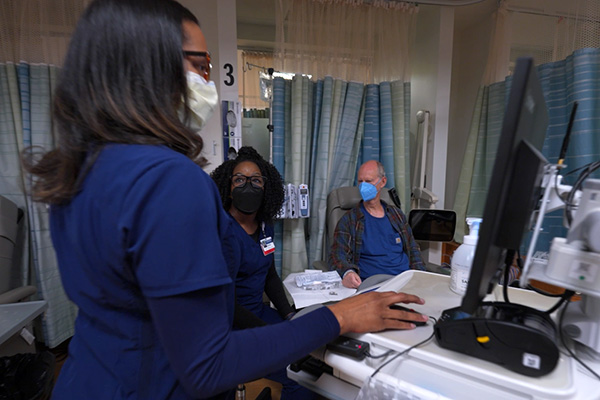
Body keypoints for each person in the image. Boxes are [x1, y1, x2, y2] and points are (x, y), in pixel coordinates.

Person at [24, 1, 427, 399]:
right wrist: (339, 316)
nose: (207, 81)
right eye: (200, 65)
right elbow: (207, 364)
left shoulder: (77, 170)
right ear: (149, 65)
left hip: (91, 379)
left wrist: (293, 318)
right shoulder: (168, 180)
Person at [212, 146, 315, 399]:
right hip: (229, 324)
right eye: (240, 179)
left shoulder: (265, 226)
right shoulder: (224, 232)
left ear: (266, 187)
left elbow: (269, 276)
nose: (248, 186)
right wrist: (270, 335)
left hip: (258, 314)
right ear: (228, 186)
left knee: (309, 355)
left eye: (256, 180)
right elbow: (224, 302)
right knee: (296, 371)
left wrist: (289, 315)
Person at [329, 160, 426, 289]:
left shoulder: (396, 216)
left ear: (383, 182)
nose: (363, 186)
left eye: (368, 181)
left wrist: (422, 278)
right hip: (373, 287)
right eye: (360, 182)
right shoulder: (350, 220)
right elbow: (337, 255)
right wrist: (347, 272)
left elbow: (413, 250)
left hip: (404, 283)